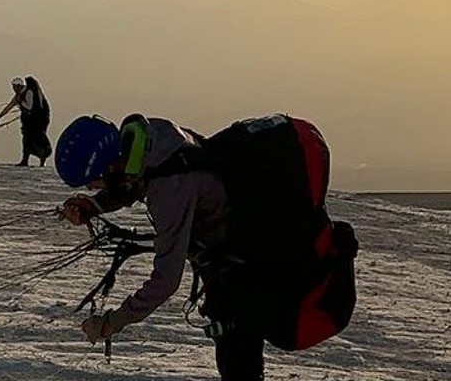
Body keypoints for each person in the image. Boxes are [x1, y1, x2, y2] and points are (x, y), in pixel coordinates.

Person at [55, 114, 357, 381]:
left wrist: (112, 322)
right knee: (234, 326)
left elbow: (165, 281)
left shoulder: (170, 191)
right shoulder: (152, 136)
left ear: (106, 166)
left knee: (241, 328)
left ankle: (338, 250)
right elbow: (138, 178)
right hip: (236, 233)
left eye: (92, 183)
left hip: (245, 249)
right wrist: (95, 206)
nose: (93, 187)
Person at [0, 76, 52, 166]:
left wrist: (20, 101)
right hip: (28, 121)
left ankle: (42, 157)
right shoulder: (18, 95)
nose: (13, 89)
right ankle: (25, 160)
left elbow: (29, 106)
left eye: (14, 87)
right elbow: (9, 107)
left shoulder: (29, 92)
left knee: (37, 138)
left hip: (39, 120)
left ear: (19, 86)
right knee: (26, 139)